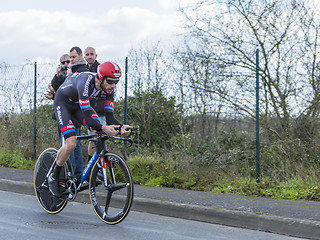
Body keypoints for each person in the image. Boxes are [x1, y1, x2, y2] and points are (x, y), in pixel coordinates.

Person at [48, 61, 132, 197]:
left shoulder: (110, 89)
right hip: (63, 104)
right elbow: (87, 114)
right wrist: (104, 127)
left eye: (116, 82)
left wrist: (121, 126)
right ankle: (54, 176)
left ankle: (87, 172)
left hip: (78, 107)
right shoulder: (86, 82)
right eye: (110, 81)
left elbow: (109, 116)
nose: (113, 85)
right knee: (71, 143)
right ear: (100, 78)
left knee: (96, 132)